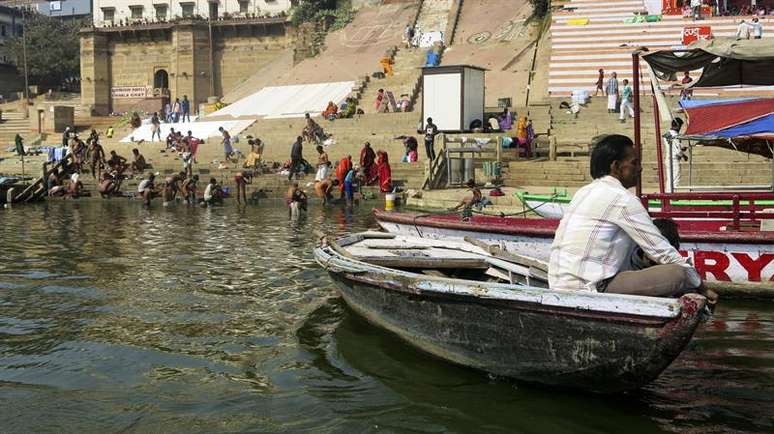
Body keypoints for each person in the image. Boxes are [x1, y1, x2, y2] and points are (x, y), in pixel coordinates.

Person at [548, 134, 711, 299]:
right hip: (591, 287)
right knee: (679, 273)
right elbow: (659, 249)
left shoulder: (583, 192)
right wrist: (702, 287)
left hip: (556, 283)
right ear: (616, 166)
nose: (640, 169)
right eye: (634, 163)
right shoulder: (623, 199)